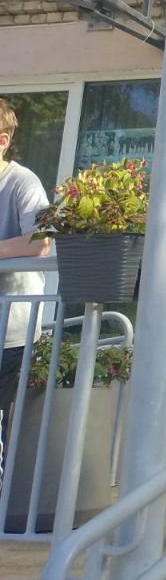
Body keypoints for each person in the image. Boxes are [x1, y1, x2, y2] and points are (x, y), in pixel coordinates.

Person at [0, 98, 50, 475]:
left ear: (2, 140)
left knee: (6, 429)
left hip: (11, 330)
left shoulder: (22, 181)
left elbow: (40, 240)